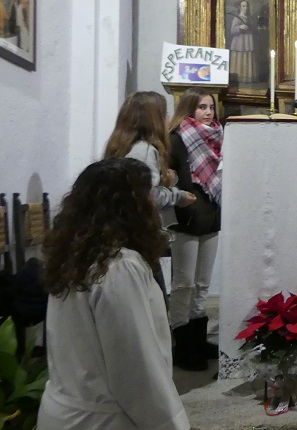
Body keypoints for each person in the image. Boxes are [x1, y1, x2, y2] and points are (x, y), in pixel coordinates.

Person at [38, 158, 190, 430]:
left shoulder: (74, 256)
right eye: (148, 196)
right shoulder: (119, 268)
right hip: (104, 420)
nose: (153, 204)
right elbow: (135, 368)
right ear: (131, 207)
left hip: (63, 412)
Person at [103, 91, 197, 304]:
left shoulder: (126, 146)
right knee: (155, 305)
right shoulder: (145, 150)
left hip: (127, 236)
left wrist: (168, 180)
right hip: (138, 236)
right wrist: (178, 196)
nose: (167, 119)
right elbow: (149, 195)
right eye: (164, 114)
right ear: (152, 120)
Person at [168, 87, 223, 371]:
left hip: (211, 218)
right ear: (190, 109)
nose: (208, 112)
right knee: (183, 284)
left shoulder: (219, 138)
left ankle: (198, 340)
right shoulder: (177, 139)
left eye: (211, 107)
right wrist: (182, 202)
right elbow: (168, 180)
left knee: (203, 283)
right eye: (202, 107)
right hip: (186, 220)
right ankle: (182, 344)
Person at [228, 0, 257, 83]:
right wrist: (240, 27)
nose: (245, 8)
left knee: (248, 58)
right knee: (239, 59)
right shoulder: (237, 18)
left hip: (248, 41)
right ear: (240, 8)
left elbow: (254, 29)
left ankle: (247, 78)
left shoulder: (250, 18)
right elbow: (233, 30)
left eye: (247, 6)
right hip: (239, 42)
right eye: (243, 6)